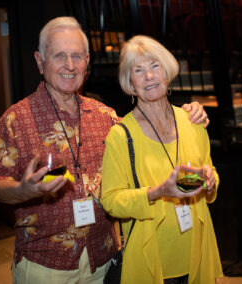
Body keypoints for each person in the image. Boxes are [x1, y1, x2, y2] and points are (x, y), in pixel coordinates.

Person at [0, 17, 209, 283]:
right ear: (39, 61)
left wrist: (192, 112)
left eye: (77, 56)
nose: (70, 65)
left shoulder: (106, 117)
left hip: (102, 258)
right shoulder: (15, 119)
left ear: (87, 62)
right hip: (46, 263)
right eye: (60, 56)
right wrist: (22, 190)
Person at [100, 35, 223, 284]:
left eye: (155, 66)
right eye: (139, 70)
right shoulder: (121, 135)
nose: (149, 76)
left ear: (167, 72)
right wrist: (157, 192)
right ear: (130, 84)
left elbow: (209, 169)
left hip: (196, 248)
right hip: (152, 255)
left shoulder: (193, 122)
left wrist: (210, 181)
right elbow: (110, 200)